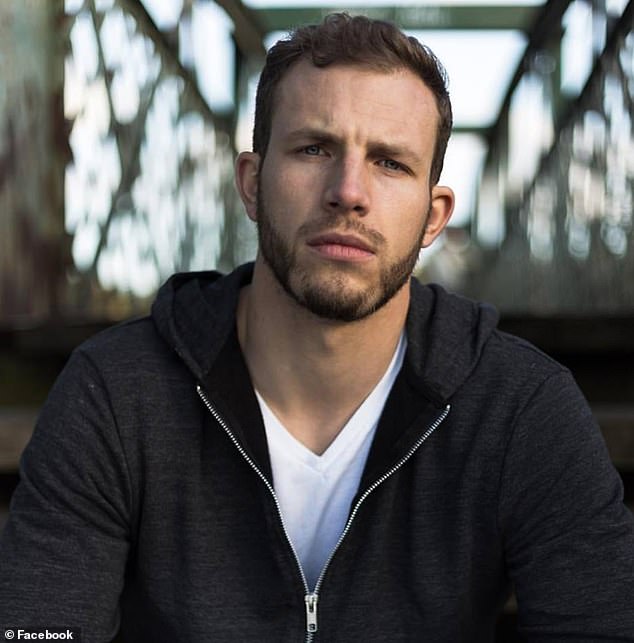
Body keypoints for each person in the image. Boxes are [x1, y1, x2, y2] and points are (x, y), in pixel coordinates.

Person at [1, 12, 633, 642]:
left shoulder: (519, 408)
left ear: (434, 217)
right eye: (314, 149)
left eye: (390, 163)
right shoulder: (116, 393)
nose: (348, 191)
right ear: (252, 184)